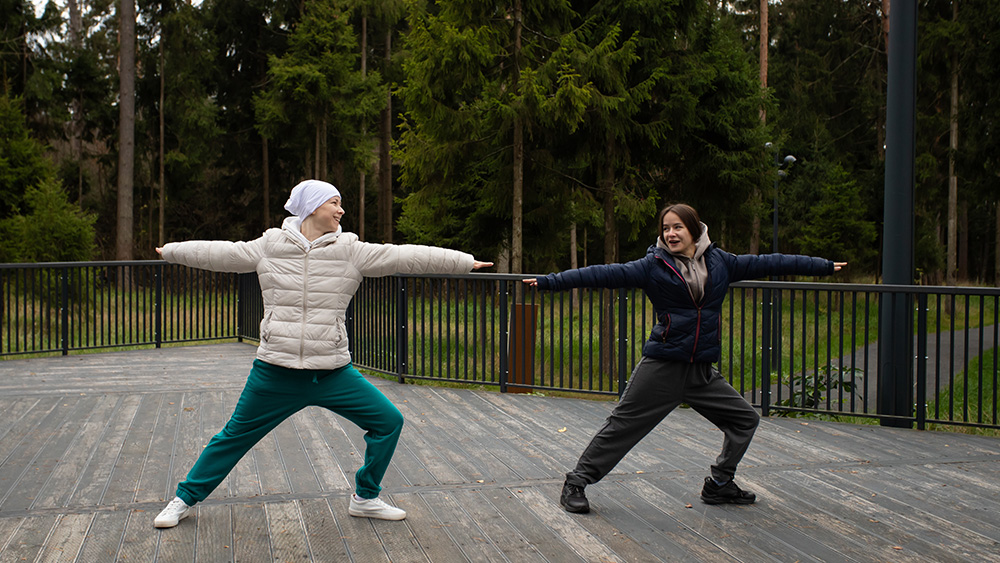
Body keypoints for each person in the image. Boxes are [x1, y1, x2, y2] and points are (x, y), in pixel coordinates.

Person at [152, 179, 492, 528]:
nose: (341, 209)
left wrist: (463, 262)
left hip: (332, 372)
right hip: (275, 371)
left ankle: (366, 497)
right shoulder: (270, 244)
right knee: (232, 438)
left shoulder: (351, 250)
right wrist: (173, 250)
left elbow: (405, 255)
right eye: (334, 202)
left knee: (388, 422)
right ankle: (183, 499)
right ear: (313, 207)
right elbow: (219, 253)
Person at [524, 203, 845, 513]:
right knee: (623, 425)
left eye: (677, 226)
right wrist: (553, 281)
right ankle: (576, 483)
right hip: (664, 365)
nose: (671, 233)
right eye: (666, 228)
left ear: (694, 229)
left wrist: (823, 266)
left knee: (745, 419)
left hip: (702, 371)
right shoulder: (653, 266)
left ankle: (720, 483)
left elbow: (772, 262)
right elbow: (602, 274)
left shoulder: (721, 262)